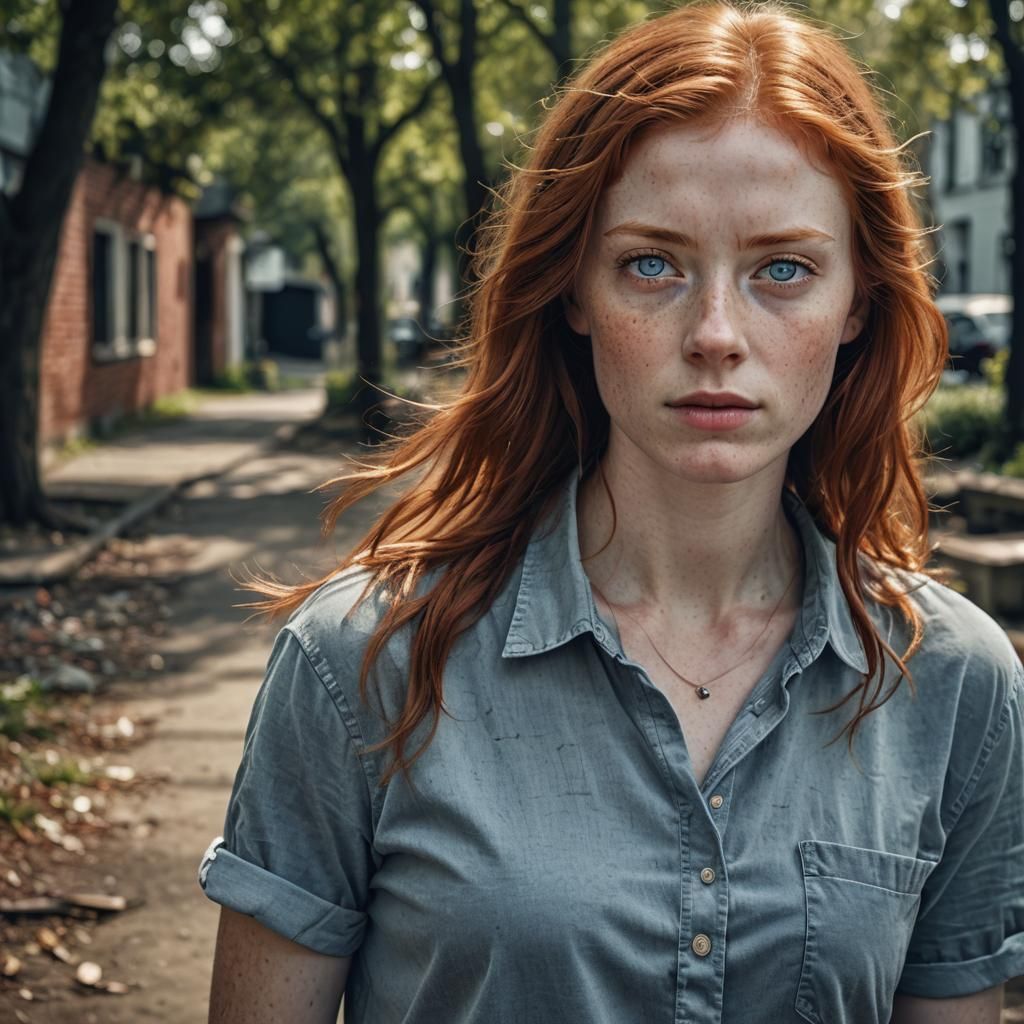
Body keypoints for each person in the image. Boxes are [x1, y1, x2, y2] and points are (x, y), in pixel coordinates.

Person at [198, 3, 1024, 1022]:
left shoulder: (956, 685)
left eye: (783, 269)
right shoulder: (363, 662)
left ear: (857, 301)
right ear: (573, 291)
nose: (715, 333)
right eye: (651, 263)